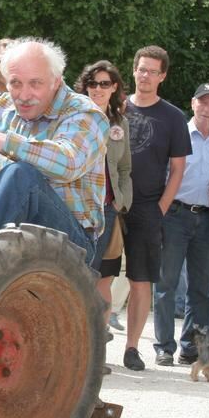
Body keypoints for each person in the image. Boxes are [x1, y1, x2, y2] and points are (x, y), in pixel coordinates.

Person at [0, 37, 107, 261]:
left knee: (21, 174)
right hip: (10, 228)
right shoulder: (1, 107)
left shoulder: (85, 114)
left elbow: (68, 163)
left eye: (35, 83)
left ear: (56, 81)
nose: (24, 95)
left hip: (71, 242)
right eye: (15, 83)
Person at [120, 45, 191, 371]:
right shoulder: (113, 108)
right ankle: (92, 344)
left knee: (140, 279)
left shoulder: (173, 117)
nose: (145, 75)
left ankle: (132, 348)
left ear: (162, 76)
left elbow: (178, 169)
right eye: (141, 69)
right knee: (100, 278)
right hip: (108, 203)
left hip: (148, 206)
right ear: (134, 70)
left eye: (152, 70)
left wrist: (162, 207)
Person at [152, 83, 209, 366]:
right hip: (175, 214)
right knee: (166, 283)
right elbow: (162, 174)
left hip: (208, 219)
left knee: (202, 289)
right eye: (203, 103)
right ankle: (164, 346)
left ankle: (190, 347)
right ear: (193, 103)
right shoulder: (177, 133)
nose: (208, 109)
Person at [74, 61, 132, 335]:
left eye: (104, 83)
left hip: (107, 209)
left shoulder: (120, 124)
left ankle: (96, 345)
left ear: (115, 87)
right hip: (77, 207)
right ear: (84, 87)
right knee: (76, 274)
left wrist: (121, 201)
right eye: (93, 83)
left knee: (101, 277)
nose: (98, 89)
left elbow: (124, 168)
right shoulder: (73, 117)